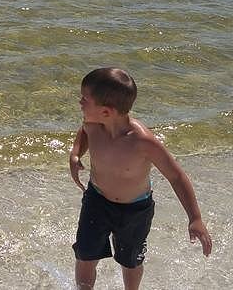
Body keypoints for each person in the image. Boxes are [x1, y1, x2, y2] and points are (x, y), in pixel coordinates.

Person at [69, 67, 212, 290]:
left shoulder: (142, 142)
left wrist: (195, 217)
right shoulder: (93, 124)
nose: (80, 103)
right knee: (86, 254)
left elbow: (176, 176)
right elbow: (84, 133)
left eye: (84, 99)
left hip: (135, 210)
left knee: (131, 259)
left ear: (106, 112)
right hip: (96, 201)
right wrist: (76, 152)